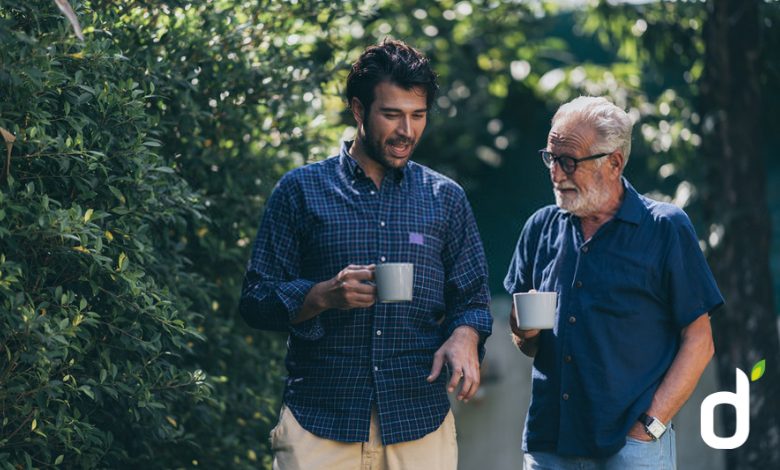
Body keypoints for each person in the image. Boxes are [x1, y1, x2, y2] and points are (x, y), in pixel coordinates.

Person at [239, 39, 492, 470]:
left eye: (418, 115)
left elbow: (472, 300)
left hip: (418, 423)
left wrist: (465, 337)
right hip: (320, 422)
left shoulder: (445, 199)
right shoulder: (301, 191)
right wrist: (321, 295)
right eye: (392, 114)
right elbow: (255, 301)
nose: (406, 131)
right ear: (359, 110)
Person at [505, 96, 723, 469]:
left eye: (569, 161)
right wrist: (523, 330)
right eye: (551, 158)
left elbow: (700, 340)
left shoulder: (664, 228)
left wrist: (650, 426)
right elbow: (527, 344)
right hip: (549, 442)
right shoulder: (539, 227)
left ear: (614, 162)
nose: (556, 173)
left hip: (631, 446)